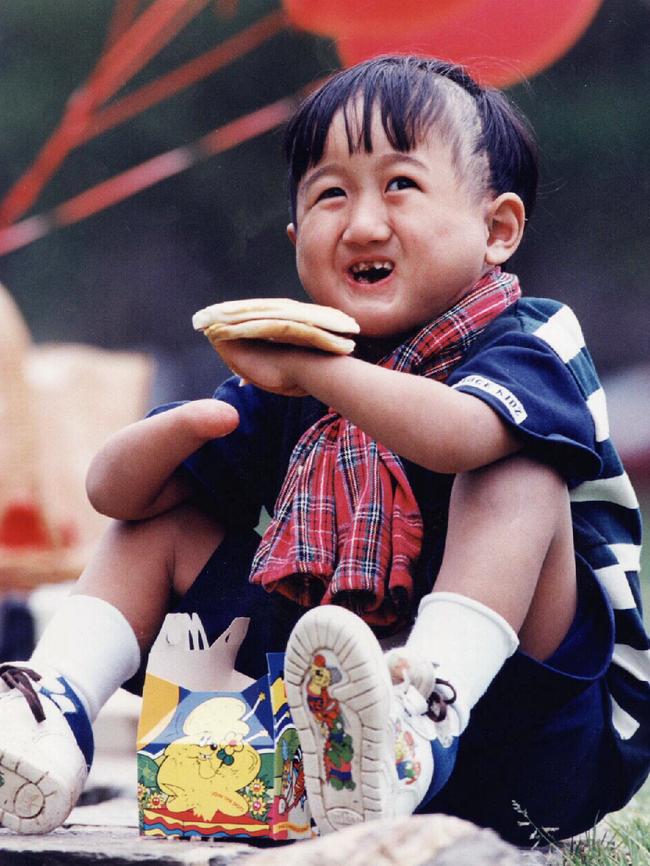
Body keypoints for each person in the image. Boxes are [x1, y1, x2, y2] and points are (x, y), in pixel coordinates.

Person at [1, 56, 648, 842]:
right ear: (297, 236)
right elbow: (114, 496)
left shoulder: (530, 339)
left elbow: (457, 435)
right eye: (331, 193)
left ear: (497, 228)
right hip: (327, 741)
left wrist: (311, 368)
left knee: (517, 471)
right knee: (168, 512)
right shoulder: (298, 365)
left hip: (529, 737)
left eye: (401, 185)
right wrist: (187, 427)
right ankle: (51, 710)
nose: (364, 222)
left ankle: (416, 716)